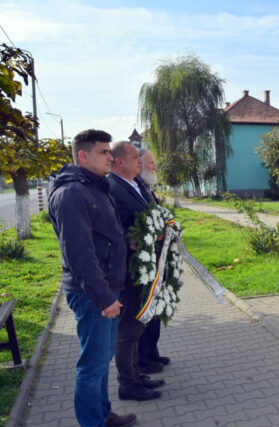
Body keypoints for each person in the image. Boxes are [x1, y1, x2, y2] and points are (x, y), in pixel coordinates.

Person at [48, 130, 137, 427]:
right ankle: (93, 422)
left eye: (109, 151)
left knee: (101, 360)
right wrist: (104, 298)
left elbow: (102, 237)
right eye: (103, 152)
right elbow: (79, 253)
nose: (110, 157)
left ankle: (102, 415)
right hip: (93, 294)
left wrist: (127, 244)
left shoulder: (95, 187)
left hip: (106, 288)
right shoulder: (72, 193)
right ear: (83, 156)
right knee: (92, 365)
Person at [107, 141, 164, 401]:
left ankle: (136, 374)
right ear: (120, 162)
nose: (139, 162)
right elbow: (116, 227)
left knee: (137, 325)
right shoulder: (113, 187)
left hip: (143, 264)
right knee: (128, 330)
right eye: (134, 157)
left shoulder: (132, 184)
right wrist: (139, 238)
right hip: (130, 268)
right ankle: (127, 384)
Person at [136, 149, 171, 374]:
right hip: (143, 263)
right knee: (145, 311)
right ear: (137, 164)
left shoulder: (146, 188)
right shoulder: (133, 188)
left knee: (154, 310)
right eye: (151, 163)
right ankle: (143, 358)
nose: (154, 167)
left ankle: (152, 353)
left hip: (156, 259)